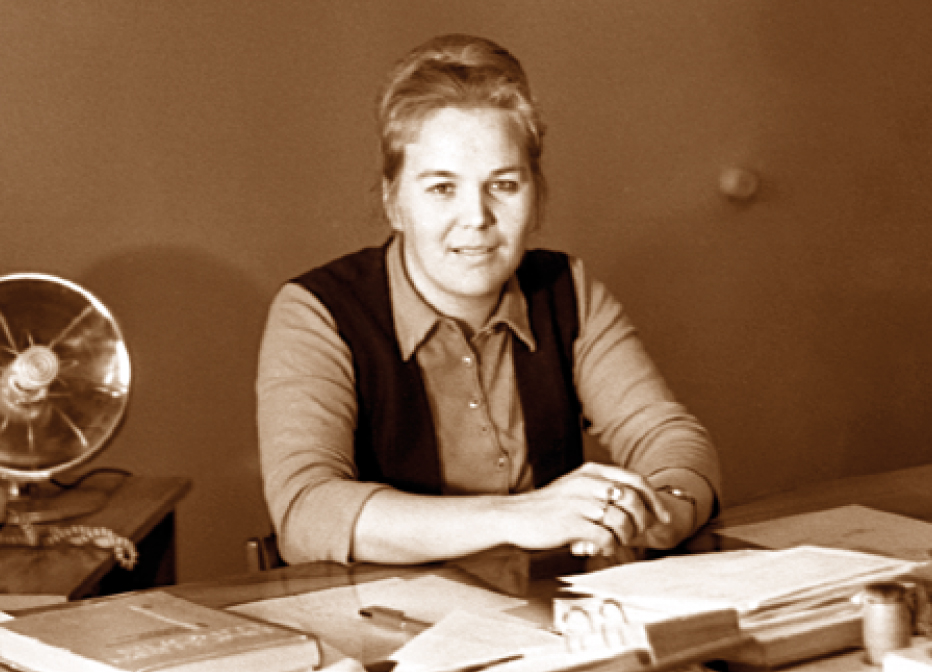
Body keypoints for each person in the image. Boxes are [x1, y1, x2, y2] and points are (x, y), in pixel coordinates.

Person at [257, 34, 721, 566]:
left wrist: (658, 512)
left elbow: (668, 435)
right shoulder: (317, 311)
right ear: (393, 203)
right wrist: (517, 517)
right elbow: (306, 512)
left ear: (537, 196)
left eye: (503, 185)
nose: (476, 217)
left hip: (549, 608)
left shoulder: (569, 289)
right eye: (441, 188)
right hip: (382, 614)